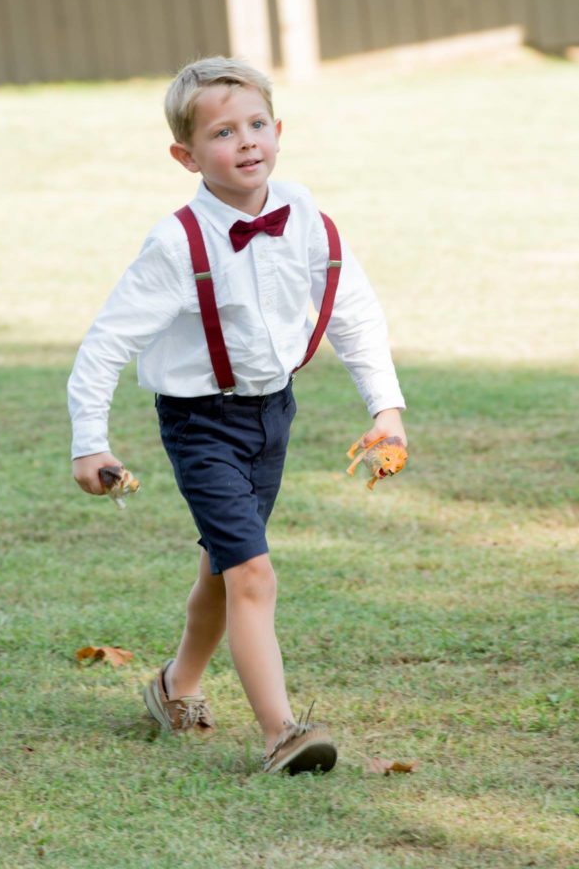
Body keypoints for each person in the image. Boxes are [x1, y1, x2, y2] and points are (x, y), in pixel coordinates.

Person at [68, 56, 406, 775]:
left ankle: (174, 686)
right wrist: (87, 443)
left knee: (225, 571)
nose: (246, 141)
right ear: (185, 155)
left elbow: (351, 313)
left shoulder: (305, 215)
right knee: (252, 572)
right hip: (200, 425)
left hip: (272, 416)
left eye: (256, 124)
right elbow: (106, 344)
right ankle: (281, 731)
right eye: (223, 132)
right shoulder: (175, 244)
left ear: (278, 130)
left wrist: (385, 408)